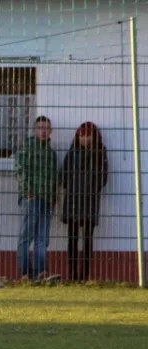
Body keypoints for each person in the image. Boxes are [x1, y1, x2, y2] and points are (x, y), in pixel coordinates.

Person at [59, 122, 108, 281]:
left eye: (88, 136)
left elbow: (103, 176)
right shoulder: (72, 152)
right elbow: (64, 173)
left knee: (87, 239)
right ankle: (72, 276)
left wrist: (93, 187)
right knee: (72, 239)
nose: (85, 139)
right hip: (73, 198)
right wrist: (69, 186)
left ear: (94, 137)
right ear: (78, 137)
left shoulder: (100, 152)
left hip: (90, 199)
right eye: (82, 136)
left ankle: (84, 276)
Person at [14, 115, 59, 282]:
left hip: (47, 200)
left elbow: (54, 177)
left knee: (42, 238)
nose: (43, 131)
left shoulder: (51, 153)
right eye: (40, 128)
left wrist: (53, 197)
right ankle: (26, 273)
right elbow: (20, 170)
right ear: (35, 130)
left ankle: (41, 273)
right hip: (31, 198)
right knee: (27, 236)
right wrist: (28, 192)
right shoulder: (27, 148)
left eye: (46, 128)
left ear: (51, 132)